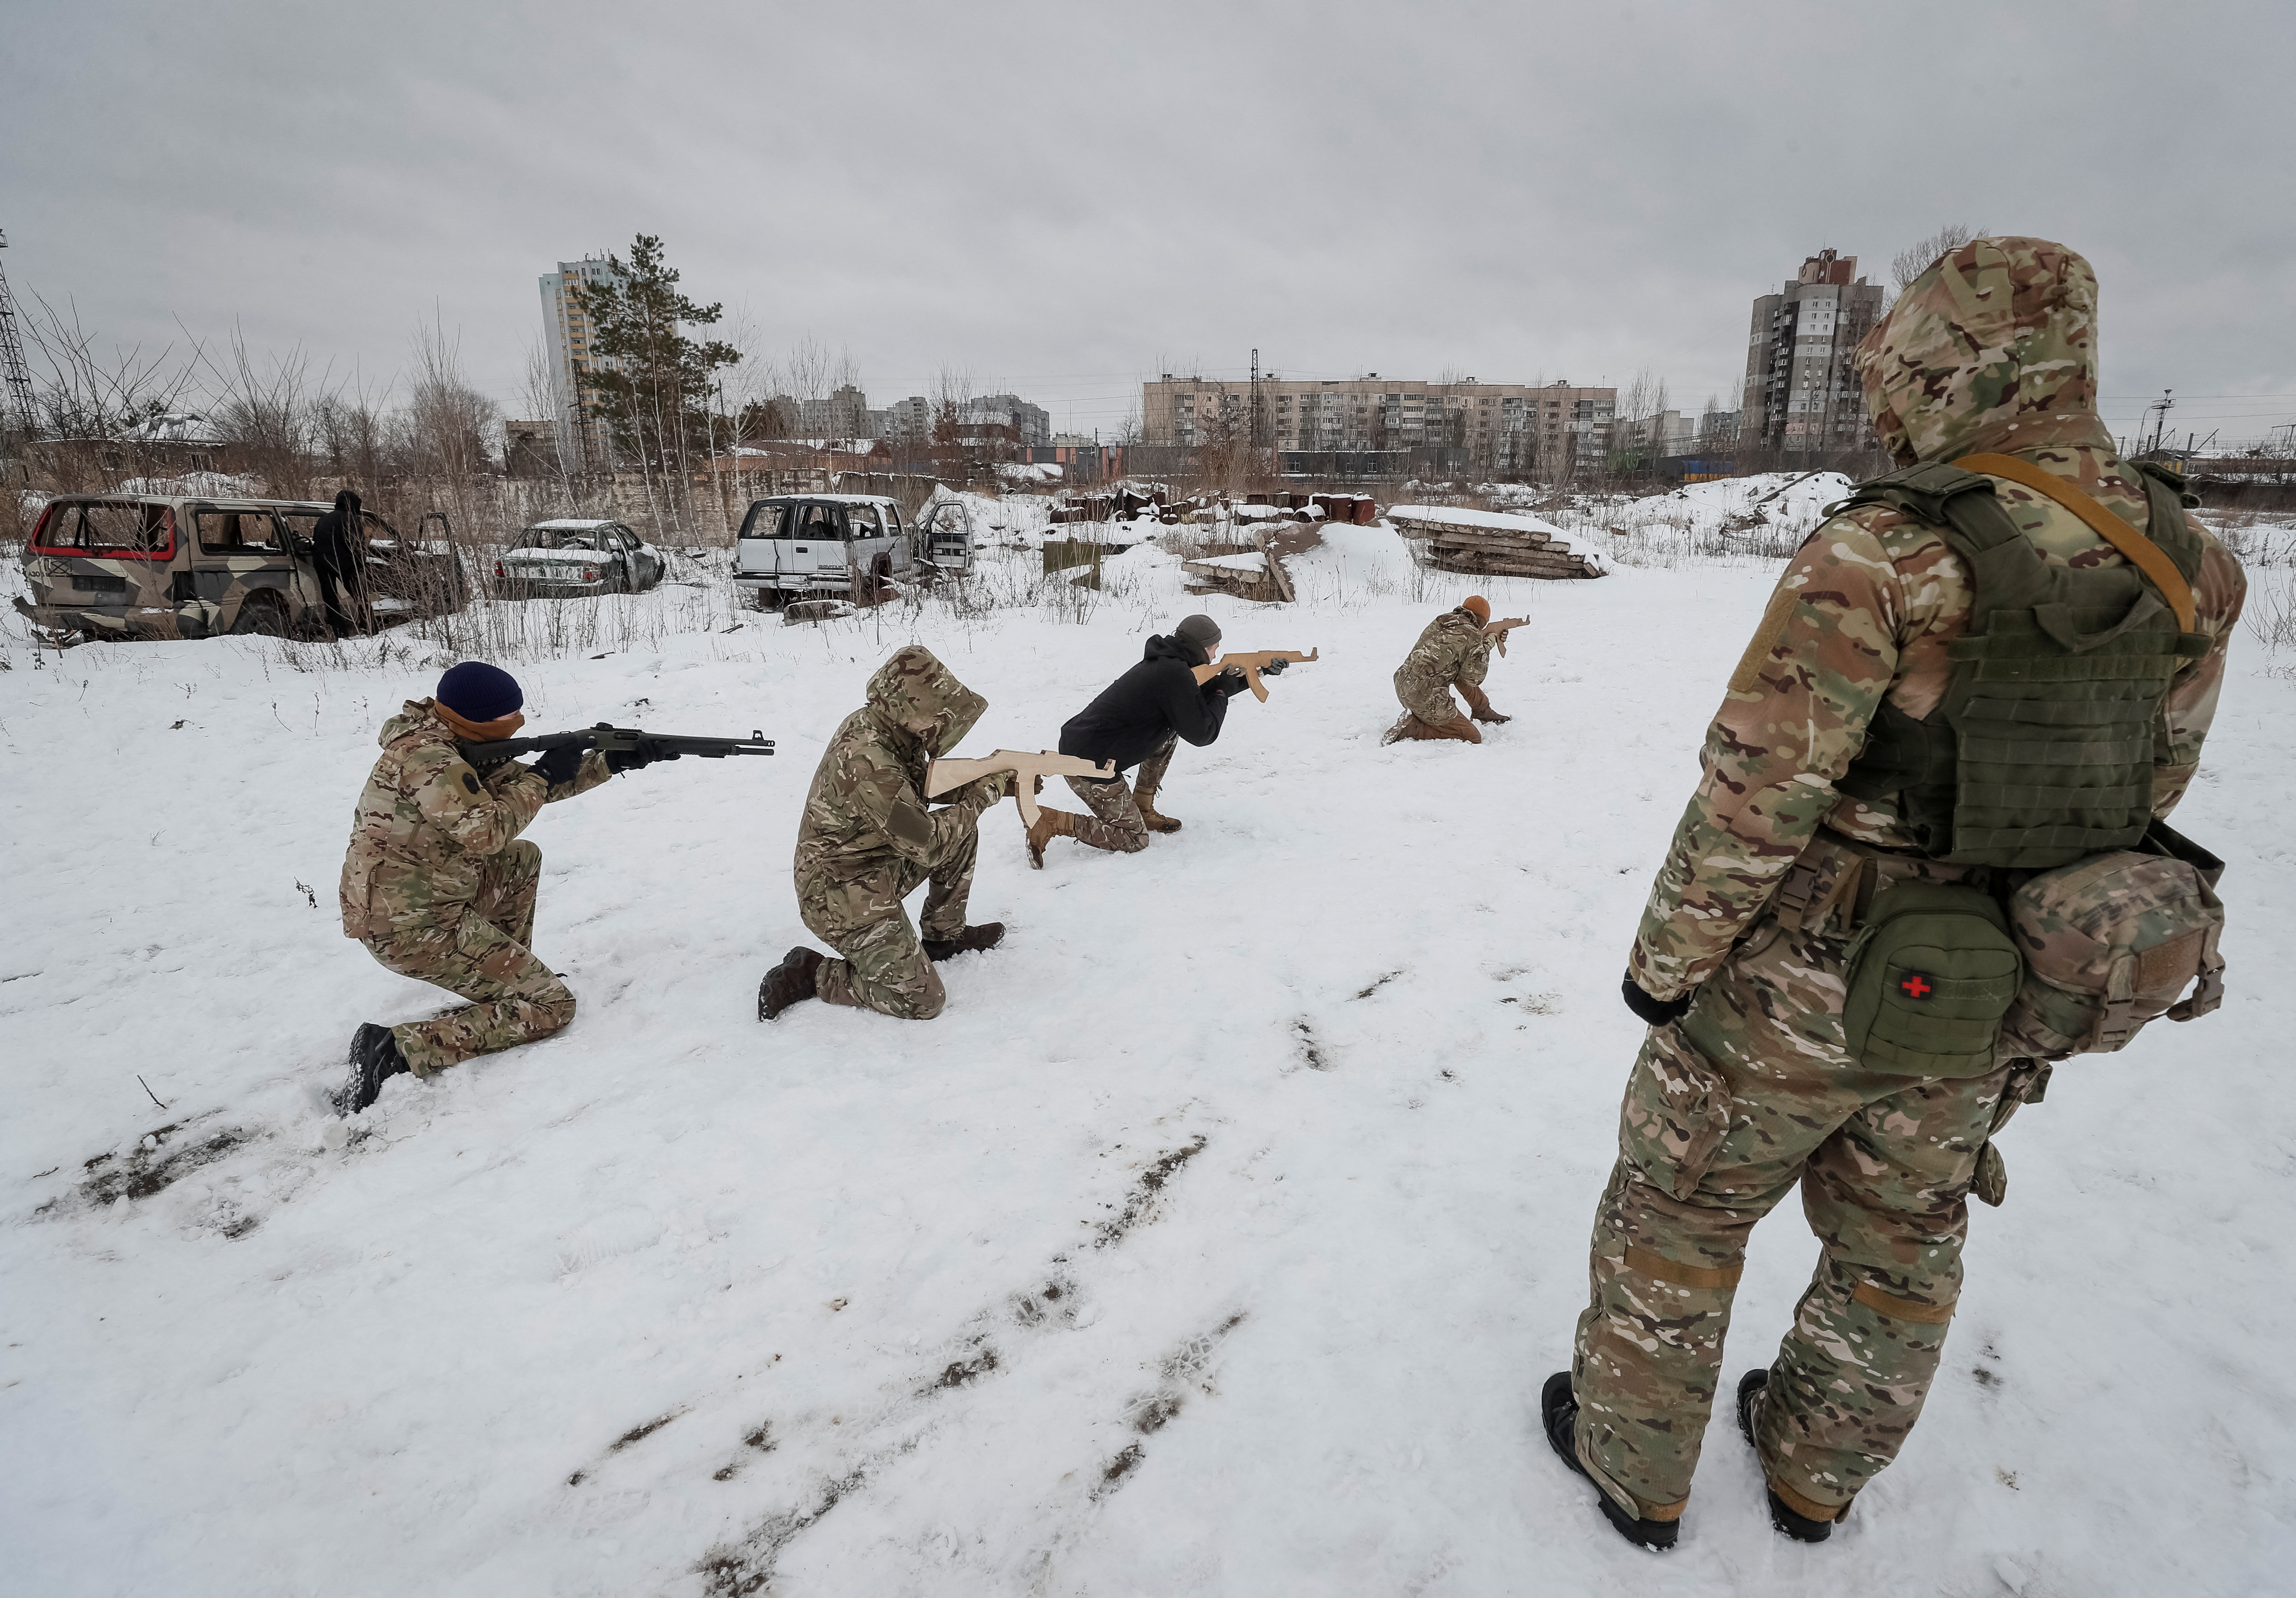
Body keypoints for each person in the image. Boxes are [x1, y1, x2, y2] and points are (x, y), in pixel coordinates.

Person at [1543, 238, 2248, 1550]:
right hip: (1998, 988)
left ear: (1948, 359)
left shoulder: (1886, 549)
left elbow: (1756, 792)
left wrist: (1666, 964)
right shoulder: (2191, 562)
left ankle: (1632, 1466)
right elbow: (2151, 785)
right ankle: (1815, 1476)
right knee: (1903, 1232)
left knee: (1679, 1203)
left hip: (1808, 979)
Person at [336, 660, 660, 1111]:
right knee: (552, 1008)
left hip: (428, 898)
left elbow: (522, 791)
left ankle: (508, 983)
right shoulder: (429, 760)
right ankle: (394, 1050)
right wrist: (544, 774)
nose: (517, 728)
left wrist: (606, 763)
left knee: (520, 860)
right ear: (478, 720)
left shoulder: (451, 741)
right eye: (508, 720)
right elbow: (487, 830)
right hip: (410, 928)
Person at [758, 645, 1012, 1022]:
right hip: (836, 892)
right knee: (922, 1001)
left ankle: (944, 936)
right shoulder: (867, 759)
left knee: (961, 833)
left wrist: (986, 782)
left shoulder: (882, 725)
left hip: (875, 861)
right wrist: (981, 796)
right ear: (915, 712)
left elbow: (913, 788)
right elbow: (927, 844)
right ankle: (812, 973)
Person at [1028, 613, 1250, 865]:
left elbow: (1195, 700)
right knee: (1134, 839)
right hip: (1088, 764)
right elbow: (1202, 733)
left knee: (1170, 732)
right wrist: (1223, 691)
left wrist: (1248, 678)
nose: (1215, 656)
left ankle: (1143, 807)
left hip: (1086, 743)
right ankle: (1052, 822)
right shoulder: (1174, 674)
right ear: (1201, 647)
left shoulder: (1170, 664)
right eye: (1214, 649)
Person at [1383, 596, 1508, 744]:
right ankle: (1414, 728)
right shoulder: (1472, 635)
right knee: (1473, 736)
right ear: (1482, 621)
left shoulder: (1442, 620)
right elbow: (1475, 678)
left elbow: (1457, 649)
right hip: (1426, 698)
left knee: (1459, 673)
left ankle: (1482, 710)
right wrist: (1488, 645)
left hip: (1404, 684)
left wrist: (1479, 644)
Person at [311, 487, 368, 637]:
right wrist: (360, 567)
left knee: (331, 600)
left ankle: (339, 634)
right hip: (345, 564)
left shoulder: (324, 519)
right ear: (354, 504)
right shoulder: (352, 520)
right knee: (360, 597)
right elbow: (358, 546)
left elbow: (316, 540)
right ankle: (370, 629)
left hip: (321, 564)